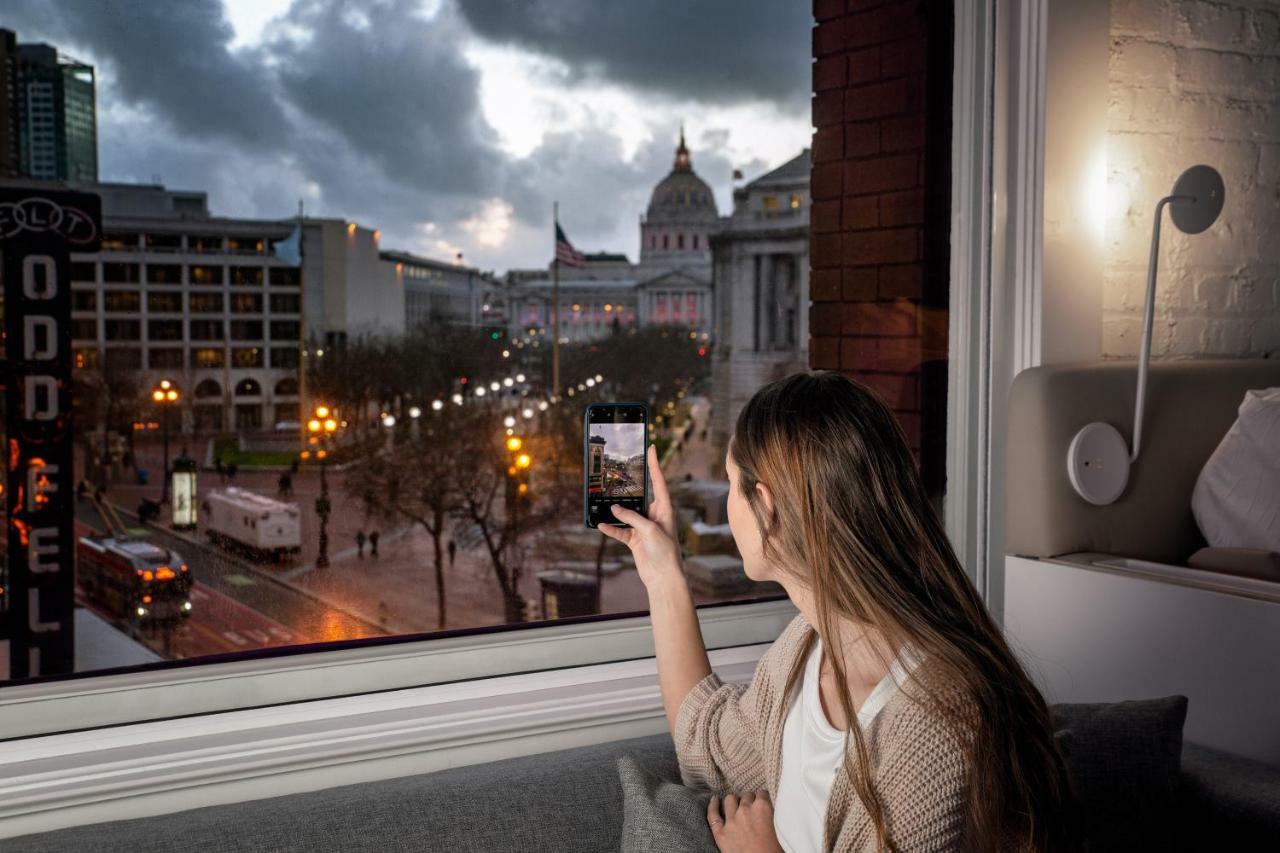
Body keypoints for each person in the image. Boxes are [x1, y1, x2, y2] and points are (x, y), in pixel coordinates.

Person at [598, 371, 1076, 853]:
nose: (727, 505)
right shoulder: (804, 651)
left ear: (766, 506)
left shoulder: (936, 718)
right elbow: (709, 753)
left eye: (731, 484)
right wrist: (663, 575)